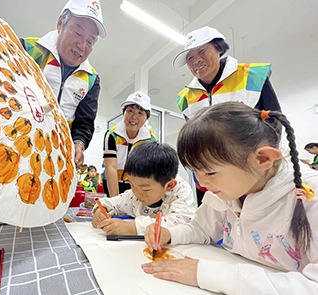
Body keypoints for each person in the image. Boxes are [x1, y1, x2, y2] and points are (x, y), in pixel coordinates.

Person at [142, 102, 318, 294]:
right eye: (195, 172)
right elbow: (201, 228)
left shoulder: (311, 196)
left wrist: (211, 275)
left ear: (262, 159)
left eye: (210, 173)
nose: (200, 184)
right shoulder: (227, 190)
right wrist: (171, 234)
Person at [173, 26, 282, 206]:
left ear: (218, 49)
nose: (196, 61)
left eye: (202, 51)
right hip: (210, 176)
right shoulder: (185, 98)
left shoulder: (252, 75)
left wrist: (257, 168)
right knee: (214, 221)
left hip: (250, 171)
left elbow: (274, 123)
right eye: (190, 58)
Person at [21, 0, 106, 168]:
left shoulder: (91, 80)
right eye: (78, 32)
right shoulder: (27, 51)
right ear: (60, 23)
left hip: (55, 155)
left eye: (90, 42)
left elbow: (85, 122)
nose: (82, 45)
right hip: (18, 141)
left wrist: (79, 143)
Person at [92, 141, 195, 235]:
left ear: (169, 185)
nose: (137, 193)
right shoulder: (135, 193)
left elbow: (180, 224)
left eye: (145, 189)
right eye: (131, 184)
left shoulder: (181, 192)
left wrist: (132, 228)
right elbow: (112, 203)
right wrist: (100, 211)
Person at [103, 91, 157, 197]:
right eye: (130, 111)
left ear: (147, 117)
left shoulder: (150, 139)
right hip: (112, 181)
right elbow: (111, 167)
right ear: (124, 112)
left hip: (135, 185)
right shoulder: (112, 135)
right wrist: (115, 200)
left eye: (140, 113)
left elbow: (147, 171)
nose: (134, 117)